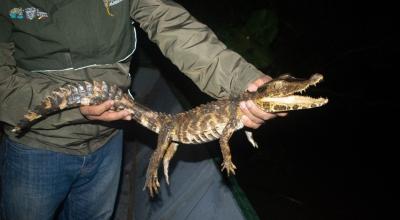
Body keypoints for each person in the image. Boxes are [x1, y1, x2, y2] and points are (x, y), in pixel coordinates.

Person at [0, 0, 285, 219]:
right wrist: (72, 110)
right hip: (36, 145)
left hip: (109, 137)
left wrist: (243, 81)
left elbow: (170, 21)